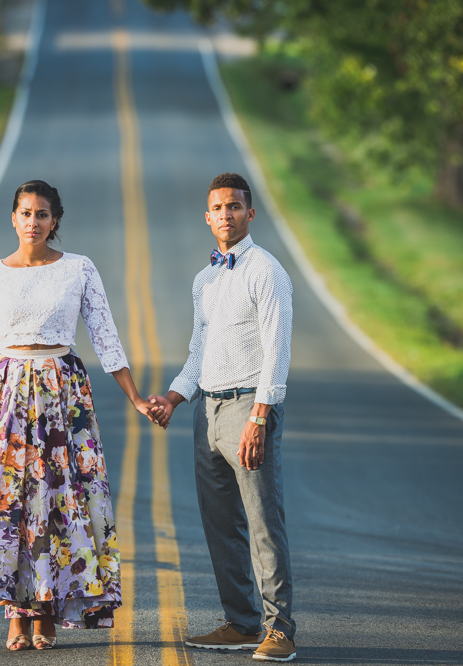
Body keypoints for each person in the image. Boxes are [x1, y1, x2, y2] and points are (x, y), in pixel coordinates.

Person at [0, 180, 160, 651]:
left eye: (42, 214)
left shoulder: (79, 269)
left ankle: (44, 612)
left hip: (63, 393)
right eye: (25, 213)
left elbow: (106, 337)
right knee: (6, 502)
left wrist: (136, 398)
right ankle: (16, 619)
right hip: (4, 394)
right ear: (13, 217)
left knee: (58, 502)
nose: (33, 222)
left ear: (55, 220)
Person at [149, 172, 296, 661]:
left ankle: (280, 630)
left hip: (248, 409)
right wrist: (173, 398)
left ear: (249, 214)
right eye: (218, 208)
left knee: (262, 522)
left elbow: (277, 350)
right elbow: (199, 350)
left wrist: (259, 415)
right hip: (206, 411)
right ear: (208, 217)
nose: (226, 215)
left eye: (235, 206)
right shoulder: (205, 279)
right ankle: (240, 622)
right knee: (219, 524)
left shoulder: (267, 271)